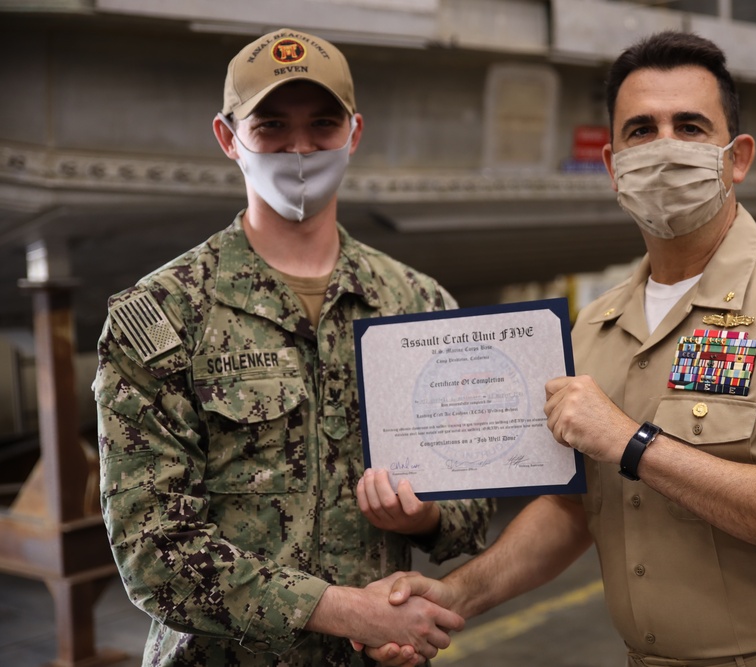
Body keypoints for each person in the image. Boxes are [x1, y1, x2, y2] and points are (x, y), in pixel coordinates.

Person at [363, 30, 756, 667]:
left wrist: (635, 444)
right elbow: (573, 508)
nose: (664, 148)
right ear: (612, 166)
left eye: (689, 126)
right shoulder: (596, 326)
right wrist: (452, 596)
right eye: (640, 130)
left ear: (736, 158)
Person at [93, 28, 494, 667]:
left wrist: (423, 520)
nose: (300, 148)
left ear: (354, 133)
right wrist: (344, 610)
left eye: (323, 125)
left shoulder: (417, 304)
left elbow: (476, 499)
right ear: (228, 138)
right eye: (272, 125)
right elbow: (154, 552)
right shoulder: (167, 315)